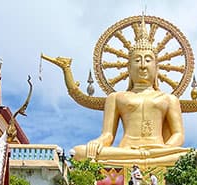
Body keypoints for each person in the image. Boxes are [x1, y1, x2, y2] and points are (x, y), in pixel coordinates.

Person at [72, 20, 187, 167]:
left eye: (148, 60)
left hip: (159, 150)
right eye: (137, 60)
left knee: (188, 155)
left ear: (157, 67)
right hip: (126, 151)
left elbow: (179, 135)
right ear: (128, 67)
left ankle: (147, 159)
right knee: (79, 152)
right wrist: (97, 143)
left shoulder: (169, 99)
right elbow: (108, 135)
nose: (143, 65)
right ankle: (144, 159)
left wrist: (167, 148)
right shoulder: (116, 98)